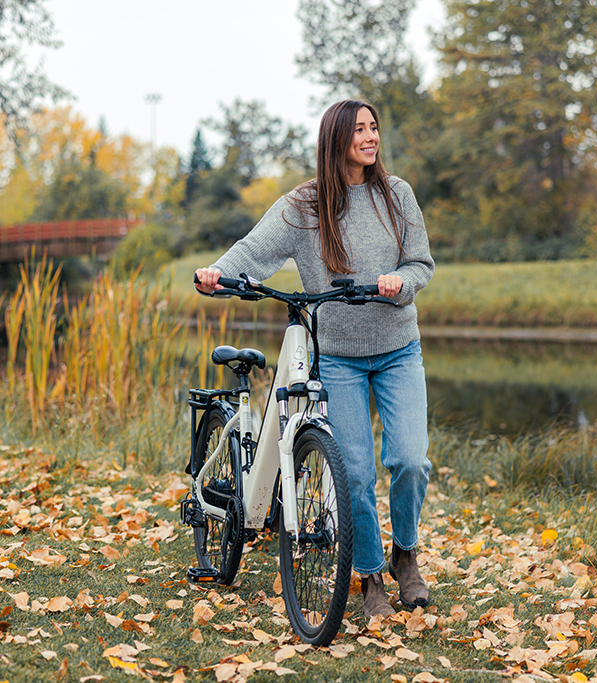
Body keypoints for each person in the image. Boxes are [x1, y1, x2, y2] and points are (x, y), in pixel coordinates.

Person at [195, 99, 434, 619]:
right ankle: (370, 576)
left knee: (410, 460)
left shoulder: (397, 196)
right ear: (336, 141)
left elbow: (421, 262)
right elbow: (254, 249)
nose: (371, 138)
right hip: (340, 358)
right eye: (360, 131)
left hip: (398, 348)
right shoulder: (304, 206)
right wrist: (216, 271)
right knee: (352, 474)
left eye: (374, 127)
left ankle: (405, 555)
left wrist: (402, 282)